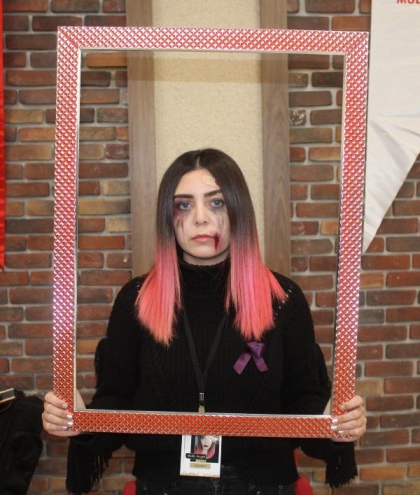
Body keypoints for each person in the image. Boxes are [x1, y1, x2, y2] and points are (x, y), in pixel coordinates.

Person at [43, 148, 366, 495]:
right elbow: (116, 402)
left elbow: (303, 404)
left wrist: (335, 421)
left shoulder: (282, 299)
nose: (200, 218)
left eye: (216, 203)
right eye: (184, 205)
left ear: (238, 210)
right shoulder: (136, 300)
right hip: (164, 486)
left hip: (263, 485)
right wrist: (80, 421)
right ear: (167, 217)